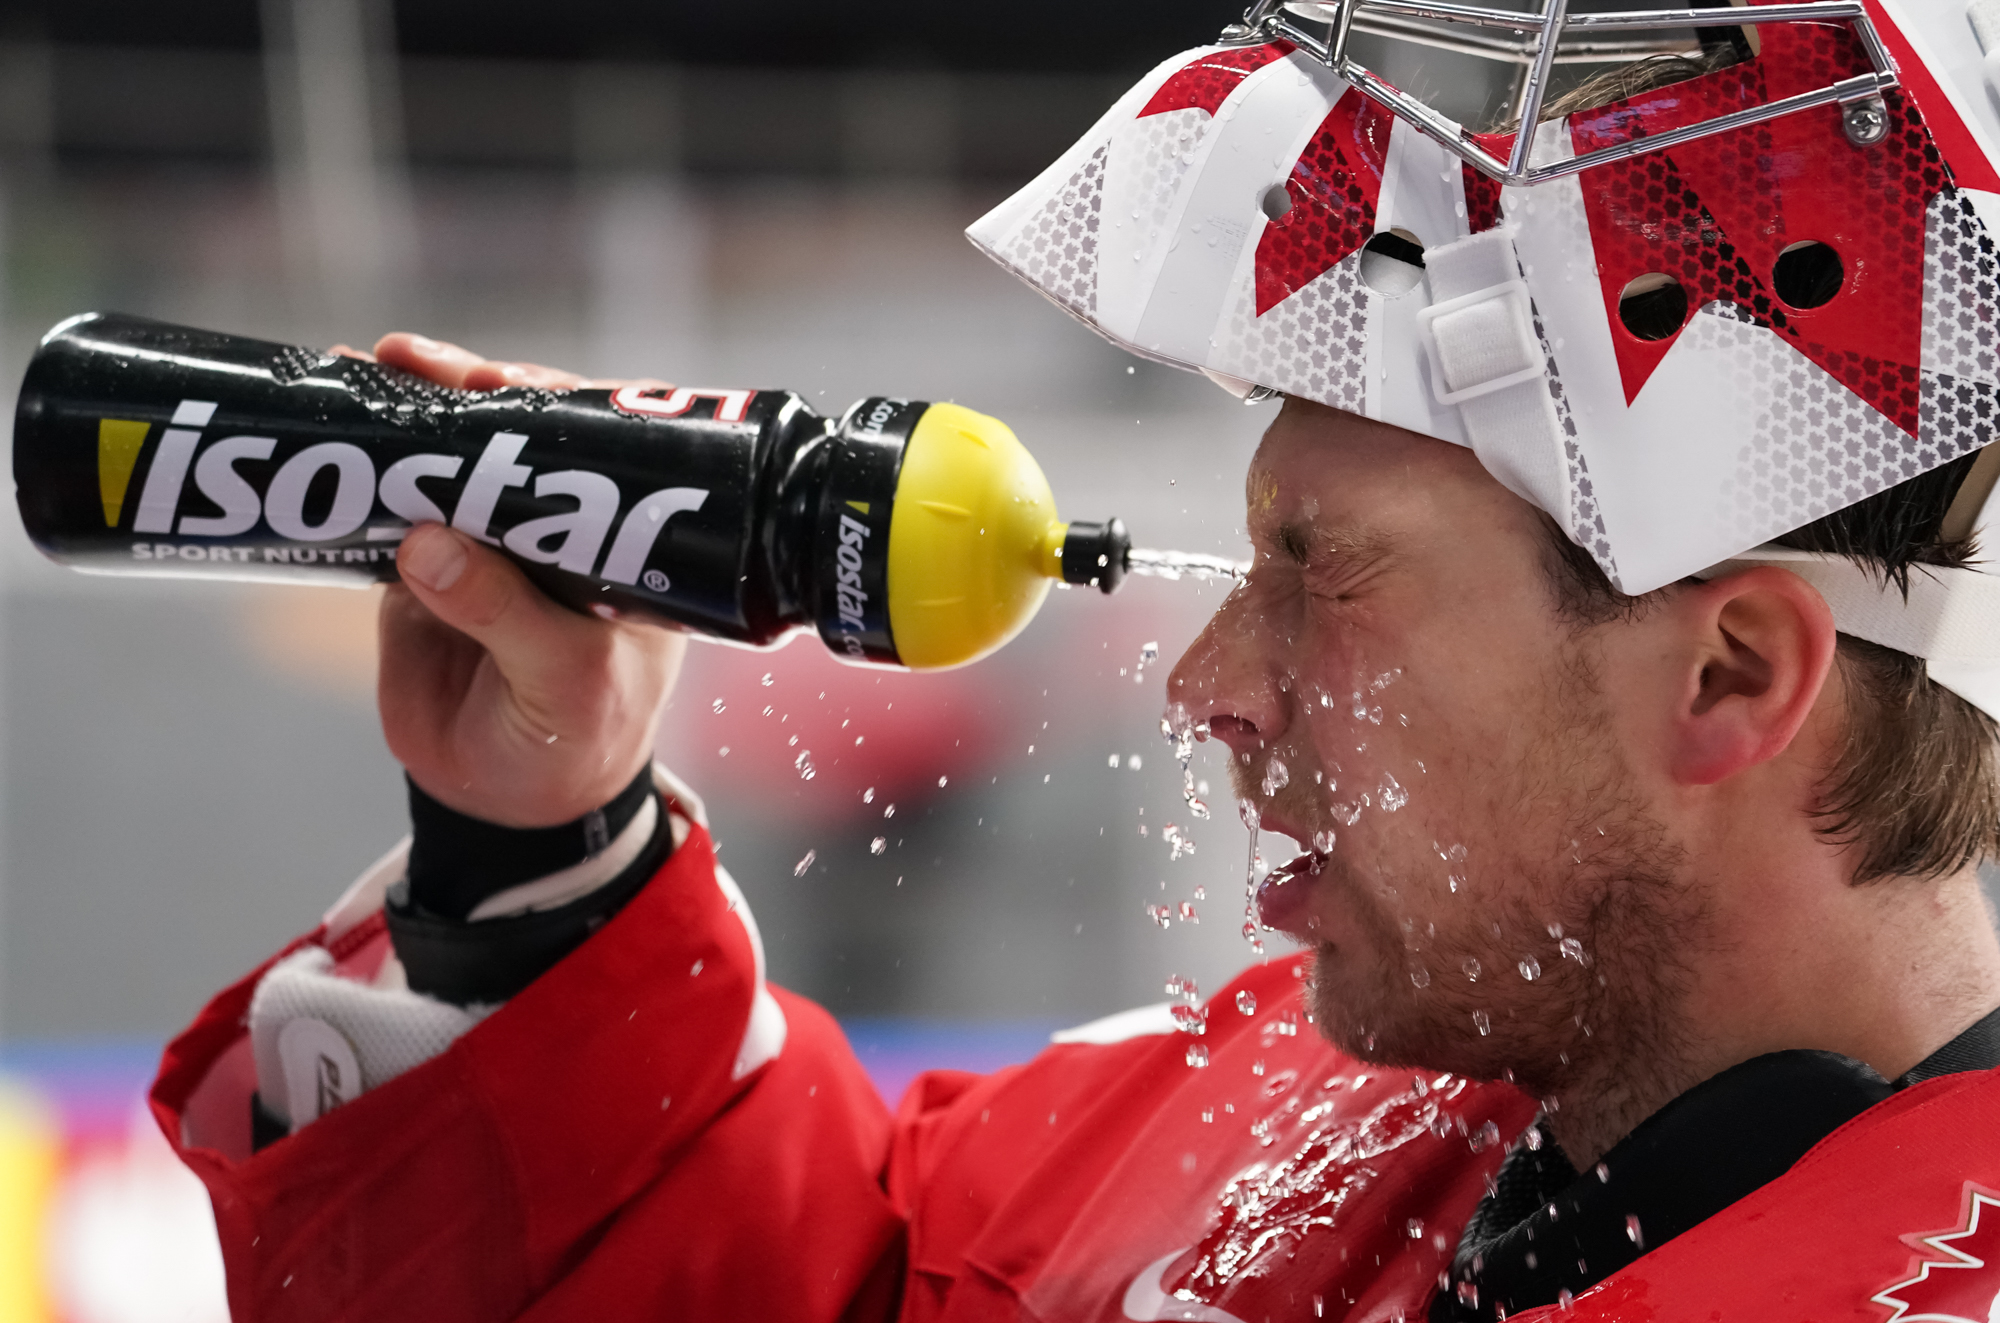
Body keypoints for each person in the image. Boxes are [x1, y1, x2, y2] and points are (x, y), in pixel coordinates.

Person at [151, 4, 2000, 1320]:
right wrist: (540, 856)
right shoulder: (1320, 1113)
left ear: (1727, 678)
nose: (1209, 683)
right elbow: (814, 1275)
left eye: (1323, 572)